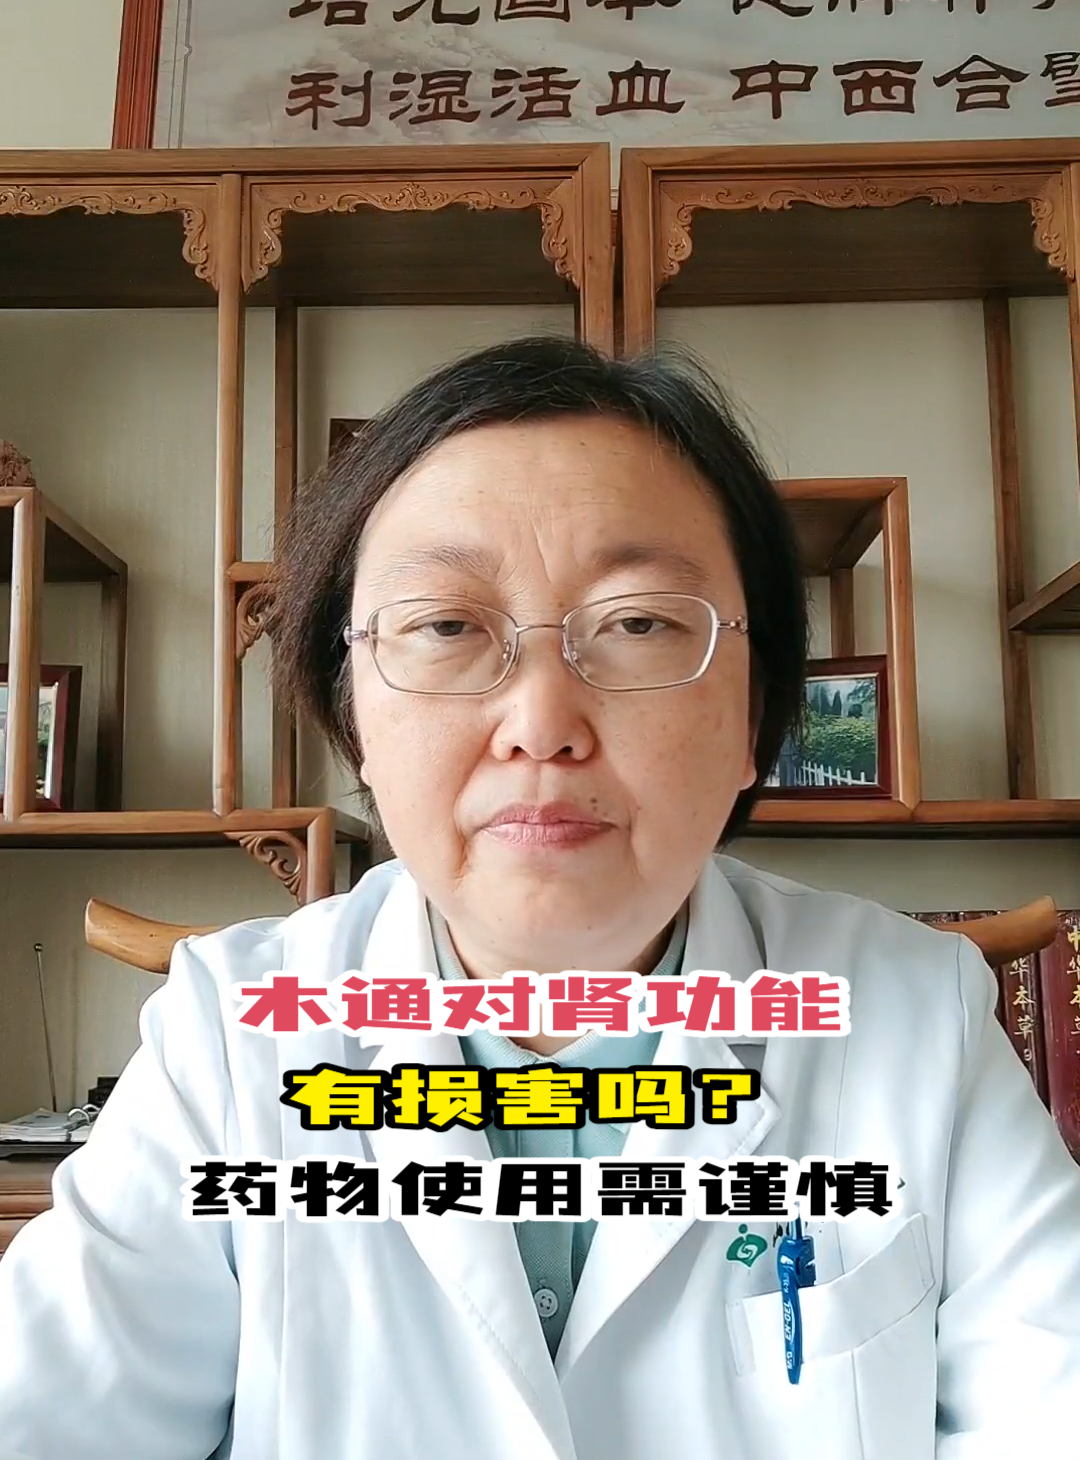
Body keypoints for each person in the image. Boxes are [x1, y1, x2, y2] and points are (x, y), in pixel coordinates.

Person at [0, 336, 1078, 1460]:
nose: (542, 723)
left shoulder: (918, 1015)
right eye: (447, 626)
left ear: (756, 714)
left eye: (640, 622)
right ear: (355, 714)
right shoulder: (229, 1034)